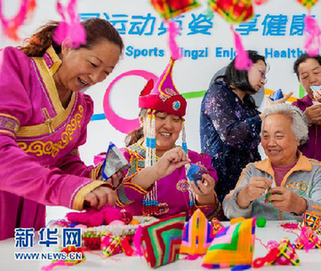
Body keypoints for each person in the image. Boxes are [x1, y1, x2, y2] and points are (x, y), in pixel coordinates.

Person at [0, 18, 124, 240]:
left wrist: (95, 181)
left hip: (30, 211)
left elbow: (65, 163)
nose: (96, 78)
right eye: (93, 64)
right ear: (68, 45)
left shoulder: (81, 107)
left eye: (106, 72)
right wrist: (67, 189)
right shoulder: (16, 67)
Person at [114, 59, 220, 219]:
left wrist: (205, 196)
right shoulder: (122, 160)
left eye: (175, 120)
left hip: (186, 240)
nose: (168, 125)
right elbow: (109, 203)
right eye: (161, 117)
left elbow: (209, 218)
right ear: (142, 120)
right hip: (136, 241)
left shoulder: (196, 162)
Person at [224, 104, 321, 220]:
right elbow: (229, 211)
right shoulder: (252, 170)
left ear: (298, 138)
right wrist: (243, 196)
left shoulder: (317, 170)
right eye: (265, 136)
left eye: (279, 136)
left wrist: (299, 205)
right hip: (261, 238)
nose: (271, 143)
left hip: (301, 238)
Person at [200, 51, 269, 202]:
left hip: (245, 183)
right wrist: (264, 116)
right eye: (261, 73)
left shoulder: (246, 104)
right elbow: (231, 135)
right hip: (220, 183)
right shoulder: (217, 93)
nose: (263, 81)